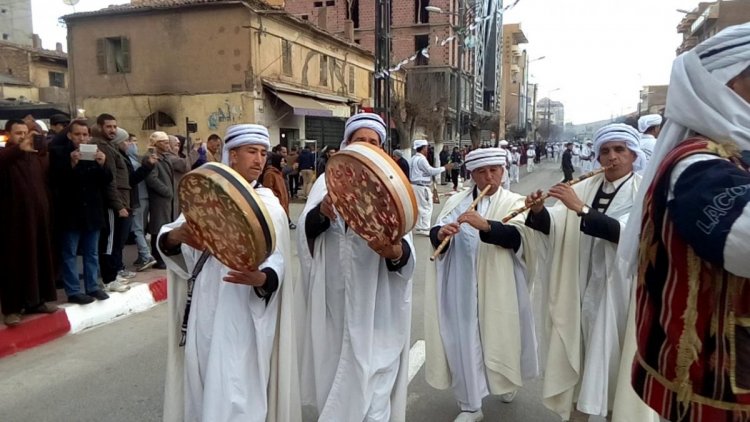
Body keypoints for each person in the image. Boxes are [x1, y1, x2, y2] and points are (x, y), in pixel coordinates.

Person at [619, 23, 750, 422]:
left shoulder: (729, 156)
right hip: (712, 380)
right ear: (725, 84)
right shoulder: (696, 164)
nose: (611, 159)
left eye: (617, 151)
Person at [159, 124, 300, 422]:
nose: (259, 160)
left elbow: (278, 261)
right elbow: (171, 237)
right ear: (232, 155)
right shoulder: (206, 195)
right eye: (252, 152)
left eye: (263, 153)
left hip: (246, 312)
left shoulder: (269, 204)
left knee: (240, 391)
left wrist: (262, 279)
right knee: (203, 385)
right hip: (205, 310)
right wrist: (178, 237)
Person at [297, 113, 415, 422]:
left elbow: (406, 253)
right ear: (347, 144)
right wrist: (322, 214)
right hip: (335, 303)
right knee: (335, 372)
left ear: (381, 148)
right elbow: (304, 233)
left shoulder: (391, 185)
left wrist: (393, 251)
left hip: (378, 306)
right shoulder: (326, 183)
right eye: (359, 140)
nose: (366, 146)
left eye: (373, 142)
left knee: (375, 385)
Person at [524, 123, 645, 421]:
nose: (612, 157)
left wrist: (582, 210)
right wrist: (538, 210)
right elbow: (557, 225)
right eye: (605, 151)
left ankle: (612, 411)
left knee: (612, 355)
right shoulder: (585, 187)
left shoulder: (643, 191)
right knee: (582, 350)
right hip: (580, 286)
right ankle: (580, 408)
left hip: (618, 293)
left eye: (619, 150)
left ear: (633, 155)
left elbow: (628, 235)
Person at [425, 148, 542, 422]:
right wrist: (441, 234)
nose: (489, 176)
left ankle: (506, 383)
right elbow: (436, 232)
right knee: (464, 340)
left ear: (503, 171)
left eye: (494, 170)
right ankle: (470, 405)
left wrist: (487, 226)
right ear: (472, 174)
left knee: (502, 335)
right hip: (462, 285)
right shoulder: (456, 201)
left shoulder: (516, 201)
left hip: (502, 284)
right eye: (481, 172)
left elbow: (521, 239)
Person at [0, 119, 58, 326]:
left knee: (39, 260)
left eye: (26, 133)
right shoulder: (6, 156)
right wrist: (18, 149)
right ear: (8, 135)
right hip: (13, 223)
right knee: (14, 264)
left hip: (37, 221)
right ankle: (12, 309)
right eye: (18, 133)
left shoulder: (33, 157)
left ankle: (36, 301)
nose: (23, 137)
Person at [48, 120, 112, 304]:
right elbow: (55, 181)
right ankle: (74, 290)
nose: (81, 138)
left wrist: (102, 164)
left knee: (92, 252)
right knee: (69, 253)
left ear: (89, 136)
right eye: (77, 134)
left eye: (84, 134)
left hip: (92, 211)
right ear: (70, 135)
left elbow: (106, 181)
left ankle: (92, 286)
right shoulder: (59, 153)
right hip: (70, 212)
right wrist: (71, 164)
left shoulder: (94, 153)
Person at [91, 114, 133, 293]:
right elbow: (111, 180)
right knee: (109, 242)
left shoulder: (110, 146)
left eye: (115, 127)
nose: (113, 130)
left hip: (121, 200)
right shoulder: (102, 147)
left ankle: (113, 275)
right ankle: (108, 279)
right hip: (112, 204)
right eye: (108, 127)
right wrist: (118, 205)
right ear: (100, 127)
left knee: (115, 242)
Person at [145, 131, 176, 270]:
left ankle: (164, 255)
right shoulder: (151, 157)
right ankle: (157, 257)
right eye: (164, 142)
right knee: (158, 227)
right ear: (156, 144)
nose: (167, 144)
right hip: (159, 199)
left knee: (166, 227)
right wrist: (167, 191)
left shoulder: (165, 157)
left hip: (167, 198)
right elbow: (152, 178)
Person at [410, 139, 452, 235]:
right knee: (426, 206)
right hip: (421, 186)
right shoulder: (421, 159)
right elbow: (431, 171)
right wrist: (444, 168)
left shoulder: (413, 158)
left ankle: (419, 226)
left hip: (414, 185)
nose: (427, 149)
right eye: (426, 147)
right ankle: (425, 228)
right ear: (423, 148)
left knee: (419, 207)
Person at [262, 152, 296, 230]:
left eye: (284, 161)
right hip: (277, 204)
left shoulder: (278, 173)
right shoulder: (270, 174)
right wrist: (277, 197)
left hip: (283, 203)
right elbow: (268, 189)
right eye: (282, 161)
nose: (283, 163)